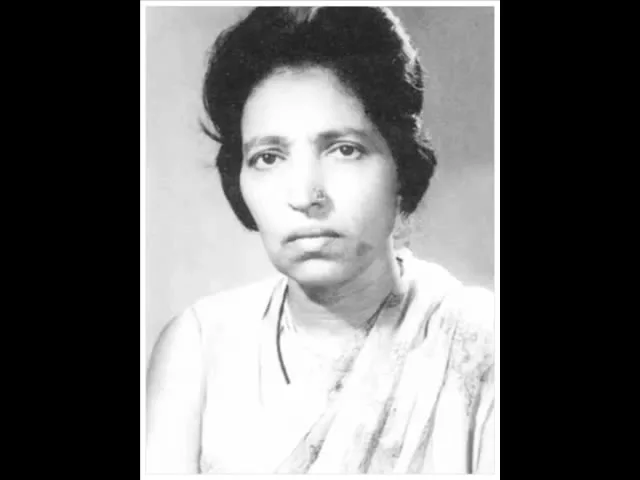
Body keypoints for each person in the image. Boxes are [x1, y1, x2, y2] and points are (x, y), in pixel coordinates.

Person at [146, 6, 495, 474]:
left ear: (401, 168)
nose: (305, 195)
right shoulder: (198, 349)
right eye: (269, 157)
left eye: (344, 150)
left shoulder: (476, 343)